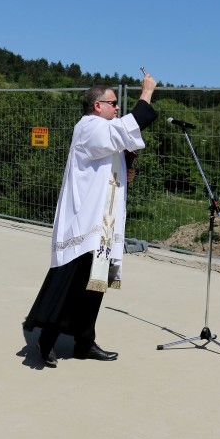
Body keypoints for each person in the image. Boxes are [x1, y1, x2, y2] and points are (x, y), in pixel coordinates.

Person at [23, 73, 158, 367]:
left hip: (103, 224)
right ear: (97, 106)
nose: (117, 108)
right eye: (112, 103)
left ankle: (84, 341)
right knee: (70, 281)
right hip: (84, 223)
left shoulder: (102, 131)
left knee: (95, 285)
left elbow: (112, 156)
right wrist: (146, 93)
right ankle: (46, 340)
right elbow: (129, 127)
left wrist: (126, 171)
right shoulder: (90, 127)